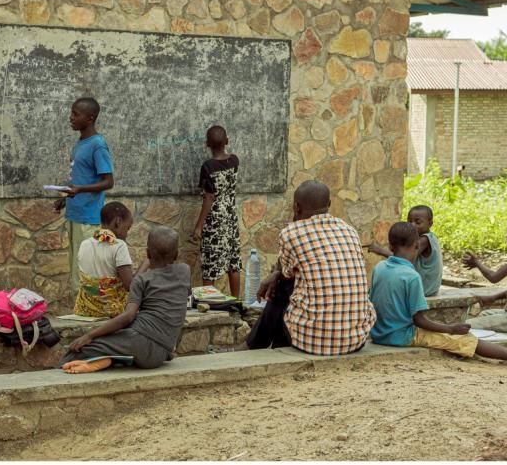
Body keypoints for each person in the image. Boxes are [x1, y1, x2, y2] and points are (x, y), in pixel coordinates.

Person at [370, 222, 507, 370]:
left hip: (378, 333)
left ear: (391, 246)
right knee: (464, 339)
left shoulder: (379, 268)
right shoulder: (411, 276)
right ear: (417, 245)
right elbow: (419, 321)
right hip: (401, 336)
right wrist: (450, 329)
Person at [245, 180, 374, 355]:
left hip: (312, 341)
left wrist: (274, 275)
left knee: (283, 287)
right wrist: (278, 274)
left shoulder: (291, 233)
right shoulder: (349, 230)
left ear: (296, 207)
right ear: (329, 204)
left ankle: (255, 345)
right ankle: (263, 345)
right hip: (355, 339)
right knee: (291, 282)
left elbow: (286, 274)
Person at [61, 226, 191, 373]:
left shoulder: (142, 280)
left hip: (138, 341)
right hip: (163, 353)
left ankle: (100, 358)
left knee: (77, 350)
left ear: (147, 253)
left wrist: (89, 335)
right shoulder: (185, 271)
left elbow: (128, 316)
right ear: (176, 255)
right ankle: (109, 359)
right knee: (118, 339)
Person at [53, 97, 114, 295]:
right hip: (75, 214)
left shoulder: (98, 145)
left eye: (75, 114)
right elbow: (81, 178)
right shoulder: (80, 143)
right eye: (71, 112)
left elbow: (108, 181)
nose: (70, 117)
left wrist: (79, 190)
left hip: (89, 218)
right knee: (77, 270)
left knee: (87, 272)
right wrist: (66, 199)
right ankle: (81, 312)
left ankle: (90, 315)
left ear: (90, 118)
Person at [193, 125, 241, 297]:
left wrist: (199, 226)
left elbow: (209, 197)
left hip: (214, 220)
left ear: (207, 144)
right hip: (231, 217)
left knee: (210, 265)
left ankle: (209, 305)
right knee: (233, 262)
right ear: (227, 141)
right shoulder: (234, 160)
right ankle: (236, 303)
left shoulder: (208, 166)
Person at [74, 202, 135, 318]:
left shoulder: (85, 244)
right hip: (111, 311)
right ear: (118, 222)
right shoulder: (119, 245)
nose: (127, 234)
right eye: (128, 228)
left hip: (85, 308)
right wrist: (147, 263)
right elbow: (130, 286)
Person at [368, 205, 443, 296]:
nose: (412, 225)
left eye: (417, 222)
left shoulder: (425, 240)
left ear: (430, 224)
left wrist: (379, 250)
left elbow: (402, 259)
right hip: (429, 287)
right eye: (409, 221)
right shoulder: (423, 238)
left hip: (425, 288)